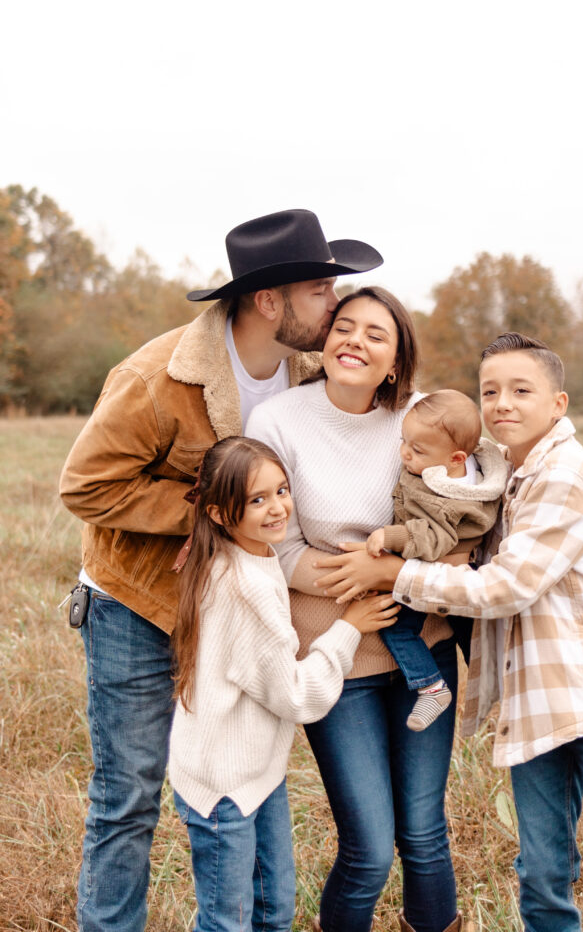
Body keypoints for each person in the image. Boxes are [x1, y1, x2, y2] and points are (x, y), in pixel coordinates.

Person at [58, 208, 383, 932]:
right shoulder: (158, 378)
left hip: (236, 614)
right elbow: (83, 486)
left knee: (251, 776)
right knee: (130, 796)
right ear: (270, 302)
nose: (333, 306)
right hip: (138, 609)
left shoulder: (306, 371)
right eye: (319, 292)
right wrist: (204, 512)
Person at [319, 332, 583, 932]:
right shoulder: (499, 476)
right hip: (537, 706)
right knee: (540, 880)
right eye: (490, 391)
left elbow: (505, 587)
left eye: (521, 390)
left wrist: (396, 572)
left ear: (558, 404)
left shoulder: (564, 475)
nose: (502, 404)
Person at [246, 287, 465, 932]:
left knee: (424, 834)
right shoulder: (280, 420)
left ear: (396, 361)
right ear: (325, 338)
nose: (355, 341)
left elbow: (462, 531)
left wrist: (389, 573)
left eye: (376, 334)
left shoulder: (421, 420)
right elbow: (275, 545)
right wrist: (361, 584)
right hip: (333, 654)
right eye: (344, 326)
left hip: (423, 646)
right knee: (369, 849)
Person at [168, 435, 399, 932]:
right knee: (227, 922)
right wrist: (349, 629)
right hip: (222, 786)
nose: (277, 508)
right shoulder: (244, 587)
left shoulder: (246, 553)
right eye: (257, 500)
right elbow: (297, 696)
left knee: (274, 911)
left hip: (254, 773)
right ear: (217, 512)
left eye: (281, 490)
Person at [366, 389, 507, 732]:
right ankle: (502, 693)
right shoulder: (467, 466)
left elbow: (435, 537)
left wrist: (392, 536)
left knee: (398, 629)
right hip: (456, 573)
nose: (404, 454)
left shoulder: (446, 496)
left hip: (439, 572)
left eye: (417, 450)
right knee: (472, 638)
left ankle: (431, 687)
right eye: (404, 442)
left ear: (457, 458)